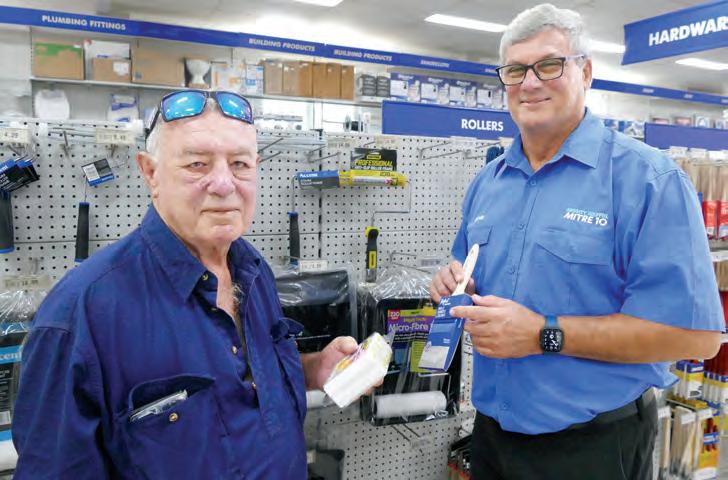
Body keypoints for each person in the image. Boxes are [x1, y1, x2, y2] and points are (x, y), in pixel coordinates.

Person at [429, 4, 723, 479]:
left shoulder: (648, 181)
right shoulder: (489, 181)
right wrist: (455, 287)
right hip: (490, 438)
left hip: (594, 446)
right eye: (515, 70)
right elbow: (470, 275)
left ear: (585, 72)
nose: (529, 83)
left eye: (548, 65)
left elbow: (696, 336)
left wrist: (541, 333)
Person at [12, 90, 360, 479]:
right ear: (150, 173)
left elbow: (245, 382)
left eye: (240, 164)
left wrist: (314, 368)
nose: (224, 184)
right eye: (197, 164)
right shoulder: (79, 316)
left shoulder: (253, 270)